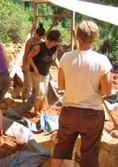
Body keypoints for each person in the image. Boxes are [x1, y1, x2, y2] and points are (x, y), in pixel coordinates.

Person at [51, 20, 112, 167]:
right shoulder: (102, 61)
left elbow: (61, 85)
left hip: (69, 112)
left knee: (61, 149)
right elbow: (107, 91)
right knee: (89, 155)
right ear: (95, 38)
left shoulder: (65, 57)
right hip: (92, 115)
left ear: (77, 36)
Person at [26, 29, 61, 114]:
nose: (57, 43)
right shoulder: (38, 47)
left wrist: (60, 67)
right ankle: (36, 111)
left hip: (45, 73)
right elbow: (29, 57)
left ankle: (39, 110)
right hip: (35, 73)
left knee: (44, 93)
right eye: (56, 42)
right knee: (40, 92)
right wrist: (35, 69)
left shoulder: (55, 47)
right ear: (52, 40)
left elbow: (54, 58)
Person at [22, 23, 45, 102]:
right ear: (36, 33)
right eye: (38, 36)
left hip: (36, 66)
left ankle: (32, 102)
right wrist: (24, 65)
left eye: (41, 36)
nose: (39, 38)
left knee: (36, 85)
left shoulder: (42, 42)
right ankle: (24, 100)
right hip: (28, 65)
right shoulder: (30, 41)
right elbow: (26, 54)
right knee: (27, 84)